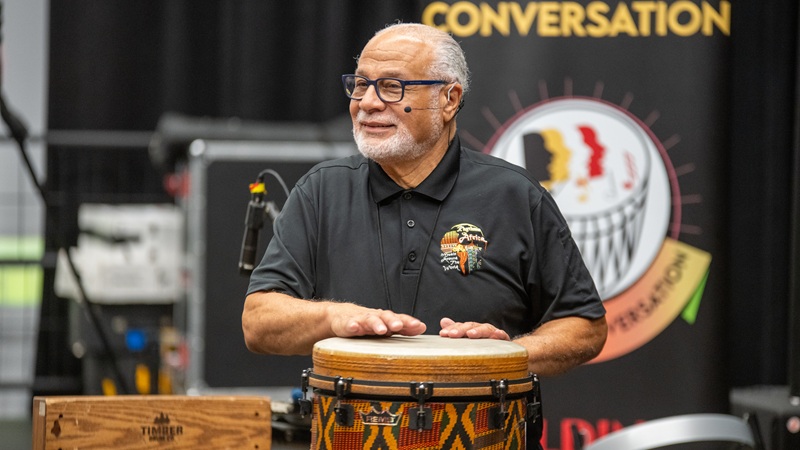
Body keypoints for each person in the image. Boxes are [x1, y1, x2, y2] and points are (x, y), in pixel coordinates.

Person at [242, 22, 607, 378]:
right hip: (356, 437)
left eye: (391, 86)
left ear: (449, 100)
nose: (367, 103)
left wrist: (505, 356)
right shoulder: (322, 191)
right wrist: (335, 317)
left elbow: (585, 327)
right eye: (361, 85)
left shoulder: (514, 195)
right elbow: (258, 322)